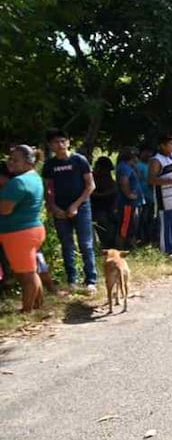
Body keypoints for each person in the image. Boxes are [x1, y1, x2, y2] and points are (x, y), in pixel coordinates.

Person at [41, 128, 97, 292]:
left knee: (86, 244)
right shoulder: (49, 165)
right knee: (66, 245)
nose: (59, 145)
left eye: (62, 141)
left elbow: (90, 185)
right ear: (50, 145)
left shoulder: (79, 160)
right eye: (55, 142)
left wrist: (76, 205)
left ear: (68, 142)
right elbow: (48, 189)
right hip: (60, 209)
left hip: (81, 207)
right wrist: (52, 206)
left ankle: (91, 280)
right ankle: (72, 280)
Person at [0, 145, 47, 312]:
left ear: (28, 162)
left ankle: (27, 310)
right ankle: (37, 304)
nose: (10, 162)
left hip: (19, 233)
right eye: (10, 158)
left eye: (15, 160)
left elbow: (4, 209)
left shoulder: (18, 182)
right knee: (30, 270)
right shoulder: (34, 177)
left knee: (26, 274)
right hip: (31, 230)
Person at [115, 149, 143, 249]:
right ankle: (121, 247)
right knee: (125, 226)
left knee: (132, 225)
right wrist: (129, 194)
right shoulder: (124, 167)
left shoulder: (129, 167)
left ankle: (130, 245)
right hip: (127, 203)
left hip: (133, 203)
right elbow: (124, 181)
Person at [90, 156, 118, 249]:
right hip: (97, 207)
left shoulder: (107, 176)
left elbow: (113, 188)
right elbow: (91, 192)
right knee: (102, 225)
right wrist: (101, 194)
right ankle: (105, 246)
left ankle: (111, 245)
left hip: (109, 206)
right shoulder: (93, 176)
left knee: (112, 226)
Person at [136, 145, 154, 244]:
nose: (148, 155)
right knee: (142, 219)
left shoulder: (151, 165)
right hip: (142, 196)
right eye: (146, 152)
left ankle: (149, 239)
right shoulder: (138, 165)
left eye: (150, 152)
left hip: (151, 196)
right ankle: (141, 239)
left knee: (150, 219)